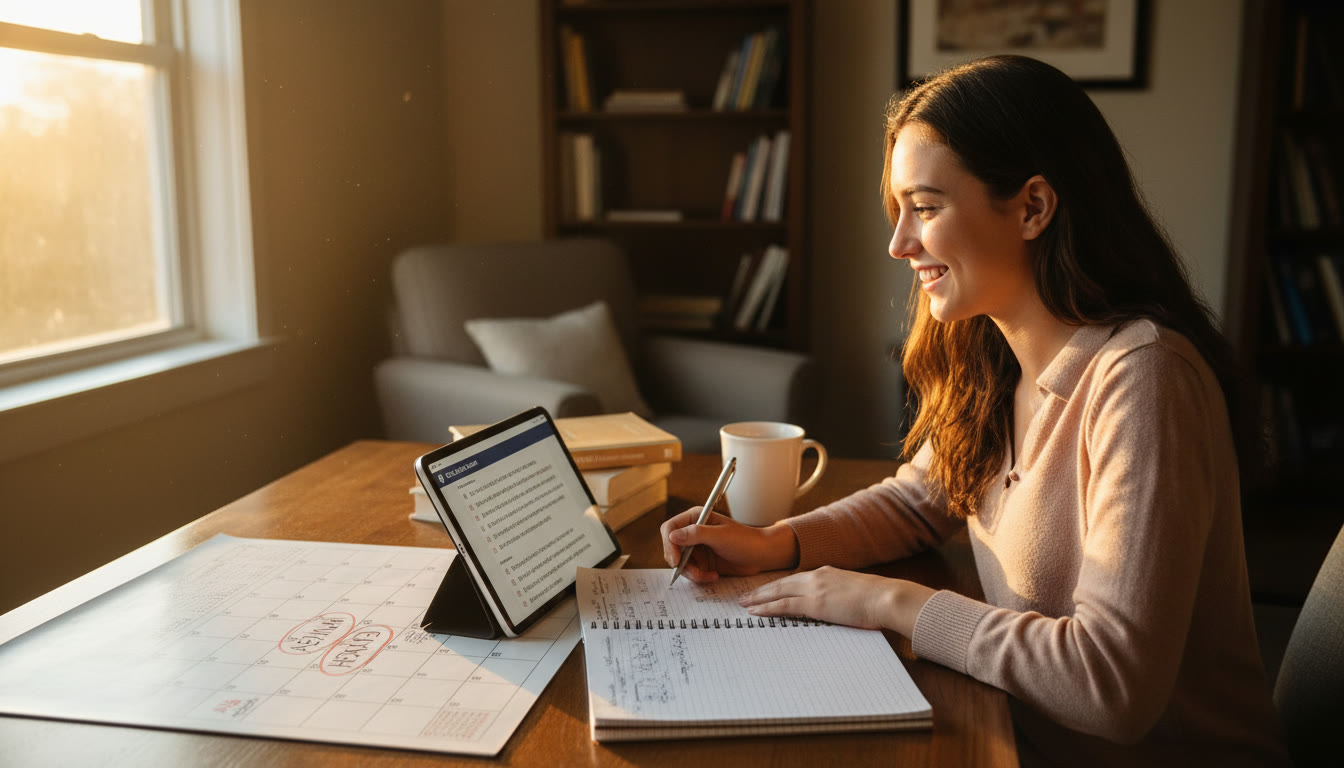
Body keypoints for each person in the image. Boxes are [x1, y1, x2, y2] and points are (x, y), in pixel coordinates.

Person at [660, 55, 1289, 767]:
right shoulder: (994, 356)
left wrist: (886, 603)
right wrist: (775, 544)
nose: (899, 244)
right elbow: (918, 502)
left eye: (924, 209)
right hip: (1018, 738)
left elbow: (1112, 686)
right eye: (898, 211)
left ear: (1033, 208)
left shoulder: (1143, 379)